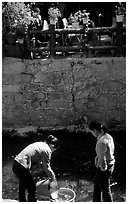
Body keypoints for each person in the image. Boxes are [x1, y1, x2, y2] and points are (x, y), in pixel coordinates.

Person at [12, 135, 59, 202]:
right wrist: (52, 177)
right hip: (22, 166)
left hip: (16, 163)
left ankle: (22, 201)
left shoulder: (40, 144)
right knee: (32, 189)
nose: (52, 152)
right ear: (52, 146)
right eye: (54, 150)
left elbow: (40, 164)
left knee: (23, 184)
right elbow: (46, 167)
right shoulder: (47, 150)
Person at [88, 121, 115, 202]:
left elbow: (102, 159)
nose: (92, 133)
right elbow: (106, 152)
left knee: (105, 190)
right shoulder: (108, 136)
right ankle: (96, 201)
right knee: (97, 184)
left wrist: (102, 168)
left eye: (91, 132)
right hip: (111, 164)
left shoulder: (101, 142)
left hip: (105, 168)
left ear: (95, 130)